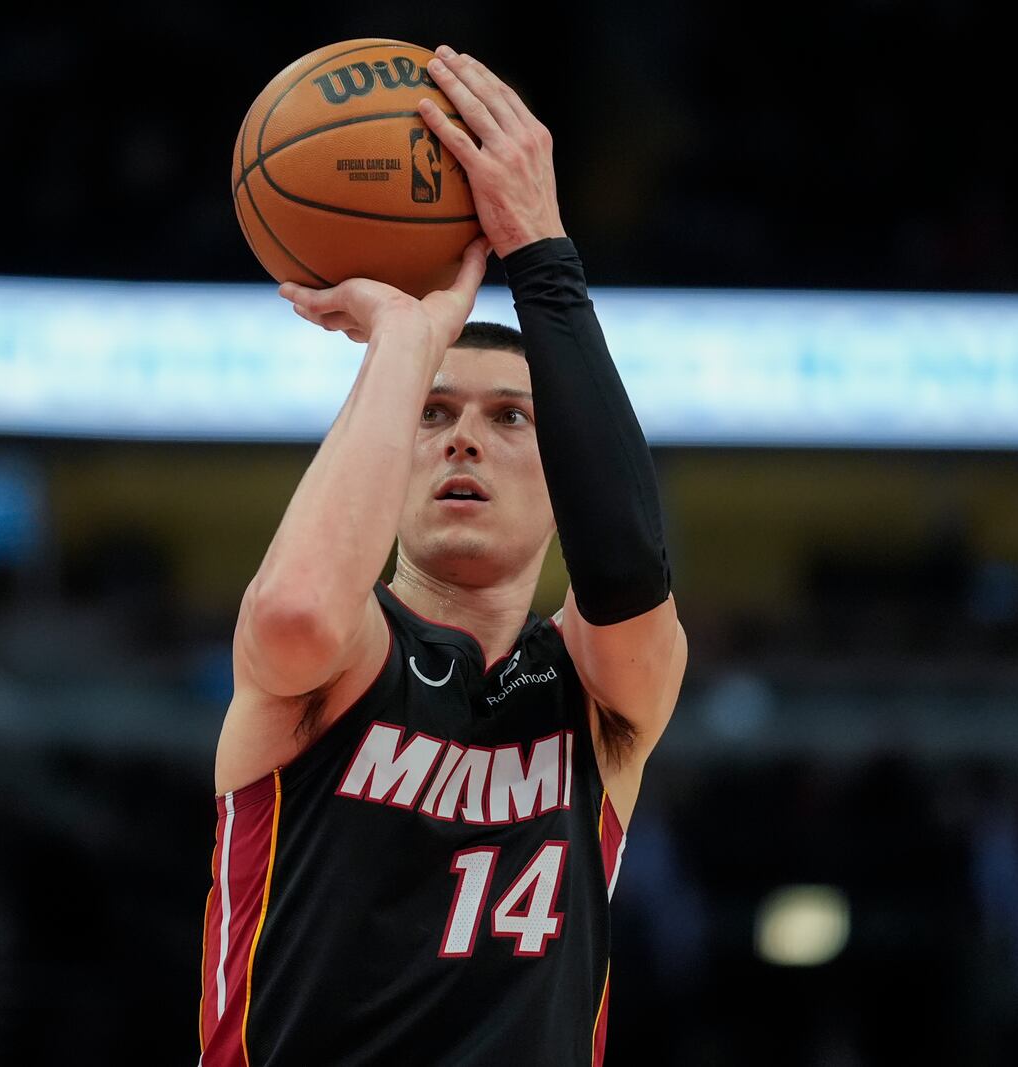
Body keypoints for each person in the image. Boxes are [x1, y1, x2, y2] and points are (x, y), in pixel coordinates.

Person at [198, 45, 688, 1067]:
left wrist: (540, 247)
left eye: (510, 416)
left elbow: (630, 567)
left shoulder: (599, 696)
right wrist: (400, 343)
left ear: (563, 482)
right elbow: (296, 615)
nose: (464, 436)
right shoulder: (338, 659)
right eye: (432, 414)